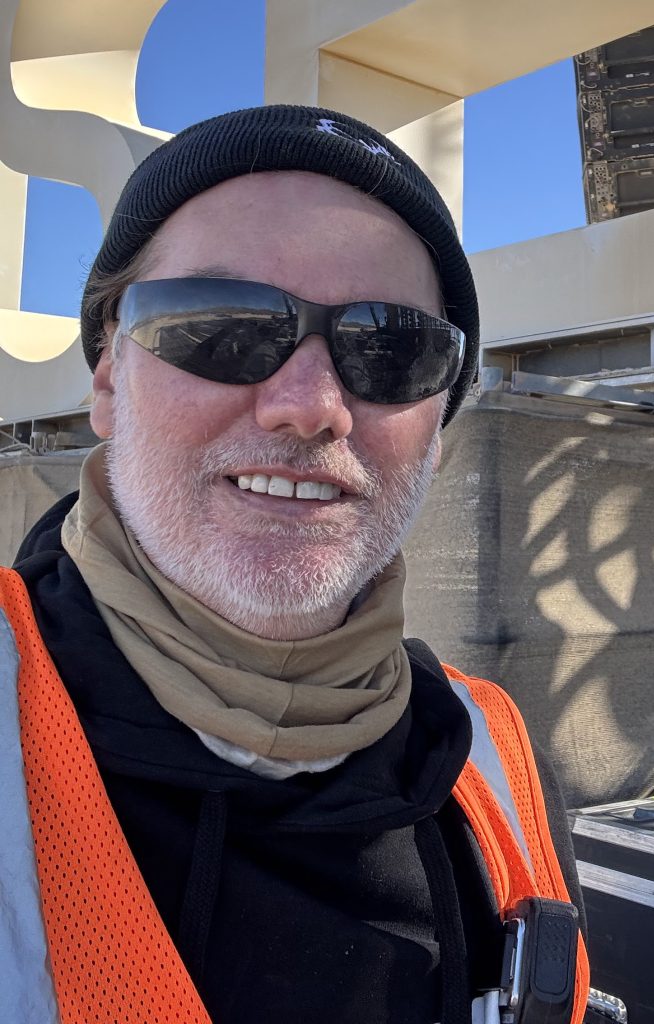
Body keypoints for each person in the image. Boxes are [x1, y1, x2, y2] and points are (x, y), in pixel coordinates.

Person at [0, 105, 589, 1024]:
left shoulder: (496, 762)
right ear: (108, 379)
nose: (311, 406)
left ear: (437, 426)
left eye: (391, 347)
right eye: (223, 324)